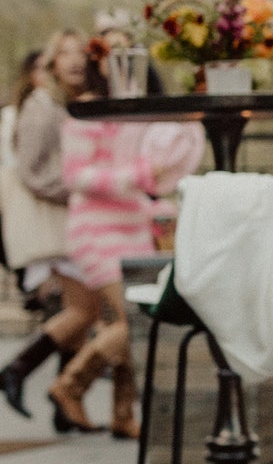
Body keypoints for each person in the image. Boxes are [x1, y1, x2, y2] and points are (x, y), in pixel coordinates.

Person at [49, 54, 203, 436]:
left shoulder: (143, 116)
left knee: (130, 320)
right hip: (95, 230)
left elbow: (151, 177)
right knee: (136, 317)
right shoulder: (86, 110)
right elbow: (75, 176)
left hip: (134, 226)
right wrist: (136, 176)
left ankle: (122, 413)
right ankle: (69, 384)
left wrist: (159, 189)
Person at [0, 34, 101, 425]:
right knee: (84, 309)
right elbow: (32, 170)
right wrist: (77, 189)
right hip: (52, 219)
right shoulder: (42, 106)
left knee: (83, 308)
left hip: (62, 216)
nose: (75, 61)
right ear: (51, 61)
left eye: (81, 53)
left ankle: (64, 405)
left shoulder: (64, 104)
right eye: (65, 53)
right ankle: (17, 370)